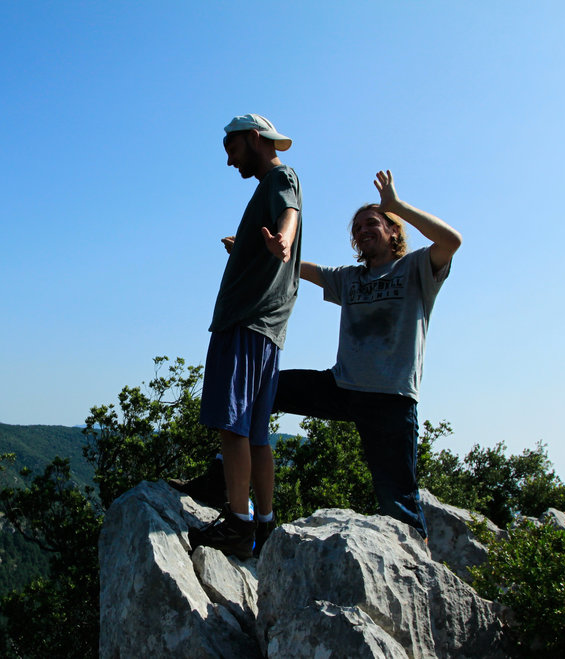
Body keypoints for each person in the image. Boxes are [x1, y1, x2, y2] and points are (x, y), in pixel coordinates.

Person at [175, 170, 462, 544]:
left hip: (390, 400)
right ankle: (224, 483)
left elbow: (451, 241)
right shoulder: (351, 278)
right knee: (261, 392)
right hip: (341, 386)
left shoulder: (417, 269)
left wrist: (397, 206)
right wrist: (257, 249)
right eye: (356, 228)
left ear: (394, 231)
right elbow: (301, 268)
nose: (361, 231)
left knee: (399, 502)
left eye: (371, 223)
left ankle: (418, 568)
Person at [182, 114, 303, 560]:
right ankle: (264, 524)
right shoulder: (267, 187)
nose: (230, 162)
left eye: (232, 149)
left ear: (254, 139)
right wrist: (250, 248)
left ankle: (236, 522)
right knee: (255, 434)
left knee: (231, 425)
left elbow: (288, 210)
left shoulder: (279, 176)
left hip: (245, 321)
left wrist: (283, 242)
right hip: (268, 328)